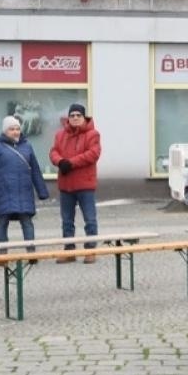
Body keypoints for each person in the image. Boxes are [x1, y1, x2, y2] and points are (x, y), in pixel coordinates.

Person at [0, 114, 49, 251]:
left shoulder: (27, 146)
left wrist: (42, 191)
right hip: (3, 193)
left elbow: (35, 170)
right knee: (2, 223)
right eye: (11, 129)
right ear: (5, 131)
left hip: (24, 192)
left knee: (27, 222)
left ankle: (31, 253)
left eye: (17, 129)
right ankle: (3, 254)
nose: (15, 132)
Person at [50, 102, 102, 261]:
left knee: (90, 219)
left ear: (83, 117)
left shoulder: (93, 134)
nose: (75, 118)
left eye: (78, 115)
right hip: (66, 185)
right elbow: (53, 152)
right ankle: (69, 251)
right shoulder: (60, 135)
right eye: (72, 115)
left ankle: (90, 250)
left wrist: (71, 163)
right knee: (67, 220)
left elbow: (93, 154)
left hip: (85, 185)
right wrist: (60, 162)